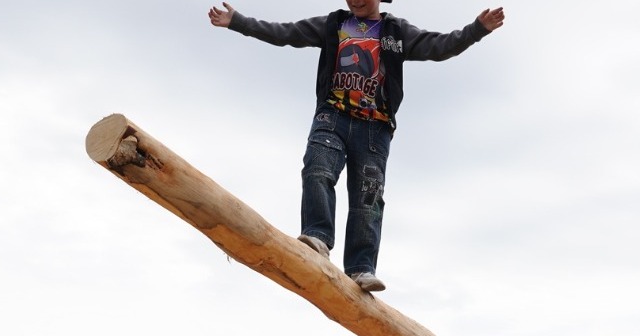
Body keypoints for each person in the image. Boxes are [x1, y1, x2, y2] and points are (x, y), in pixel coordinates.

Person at [207, 1, 506, 293]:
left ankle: (361, 267)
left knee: (368, 198)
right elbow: (285, 32)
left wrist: (477, 29)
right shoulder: (333, 25)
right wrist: (238, 22)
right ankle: (317, 236)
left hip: (375, 127)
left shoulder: (396, 32)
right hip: (333, 115)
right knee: (317, 169)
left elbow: (440, 46)